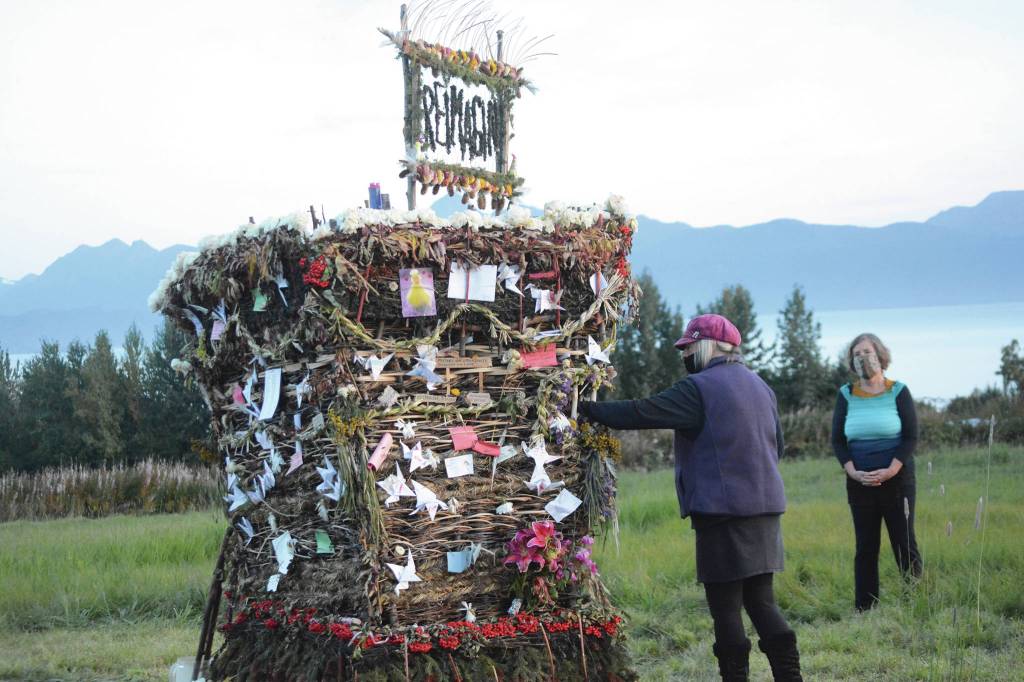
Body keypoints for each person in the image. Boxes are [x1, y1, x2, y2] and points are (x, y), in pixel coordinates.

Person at [579, 314, 802, 682]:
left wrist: (585, 410)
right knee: (762, 602)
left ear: (709, 346)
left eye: (689, 347)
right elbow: (776, 445)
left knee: (726, 610)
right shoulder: (761, 386)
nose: (684, 354)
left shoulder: (699, 388)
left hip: (721, 513)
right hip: (765, 510)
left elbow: (640, 412)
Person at [831, 333, 922, 611]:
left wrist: (891, 470)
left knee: (904, 543)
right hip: (859, 483)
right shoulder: (846, 394)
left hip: (897, 481)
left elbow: (911, 436)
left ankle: (914, 602)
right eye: (856, 354)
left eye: (867, 352)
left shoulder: (898, 390)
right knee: (866, 547)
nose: (862, 358)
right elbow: (838, 440)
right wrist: (853, 472)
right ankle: (865, 608)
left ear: (880, 356)